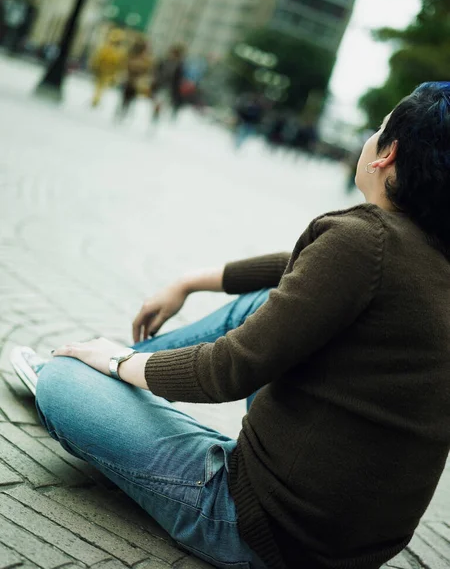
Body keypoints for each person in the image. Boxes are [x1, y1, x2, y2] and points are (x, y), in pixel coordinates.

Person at [10, 82, 450, 569]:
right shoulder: (426, 255)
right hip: (345, 541)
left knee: (62, 382)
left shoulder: (365, 240)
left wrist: (117, 361)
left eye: (380, 128)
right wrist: (193, 280)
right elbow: (304, 269)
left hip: (262, 527)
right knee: (263, 303)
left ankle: (95, 368)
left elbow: (227, 372)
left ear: (387, 155)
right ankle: (117, 373)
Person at [116, 38, 153, 121]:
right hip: (131, 79)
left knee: (129, 96)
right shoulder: (134, 55)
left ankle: (124, 110)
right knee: (126, 96)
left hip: (136, 81)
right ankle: (123, 110)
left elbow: (147, 69)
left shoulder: (144, 58)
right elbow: (127, 64)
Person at [90, 29, 127, 107]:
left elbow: (120, 64)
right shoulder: (107, 48)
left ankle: (96, 100)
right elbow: (98, 58)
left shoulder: (118, 51)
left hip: (108, 72)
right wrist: (95, 66)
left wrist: (116, 73)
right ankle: (96, 100)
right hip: (102, 70)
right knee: (99, 86)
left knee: (101, 87)